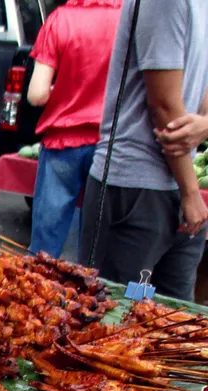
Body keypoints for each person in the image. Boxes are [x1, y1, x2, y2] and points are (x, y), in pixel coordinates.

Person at [80, 0, 208, 300]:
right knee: (109, 316)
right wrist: (191, 191)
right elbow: (163, 107)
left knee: (175, 323)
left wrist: (204, 124)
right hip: (133, 184)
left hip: (176, 185)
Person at [25, 0, 123, 258]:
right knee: (97, 248)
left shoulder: (60, 20)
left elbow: (36, 95)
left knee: (46, 248)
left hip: (63, 143)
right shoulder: (132, 20)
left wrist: (66, 90)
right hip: (114, 144)